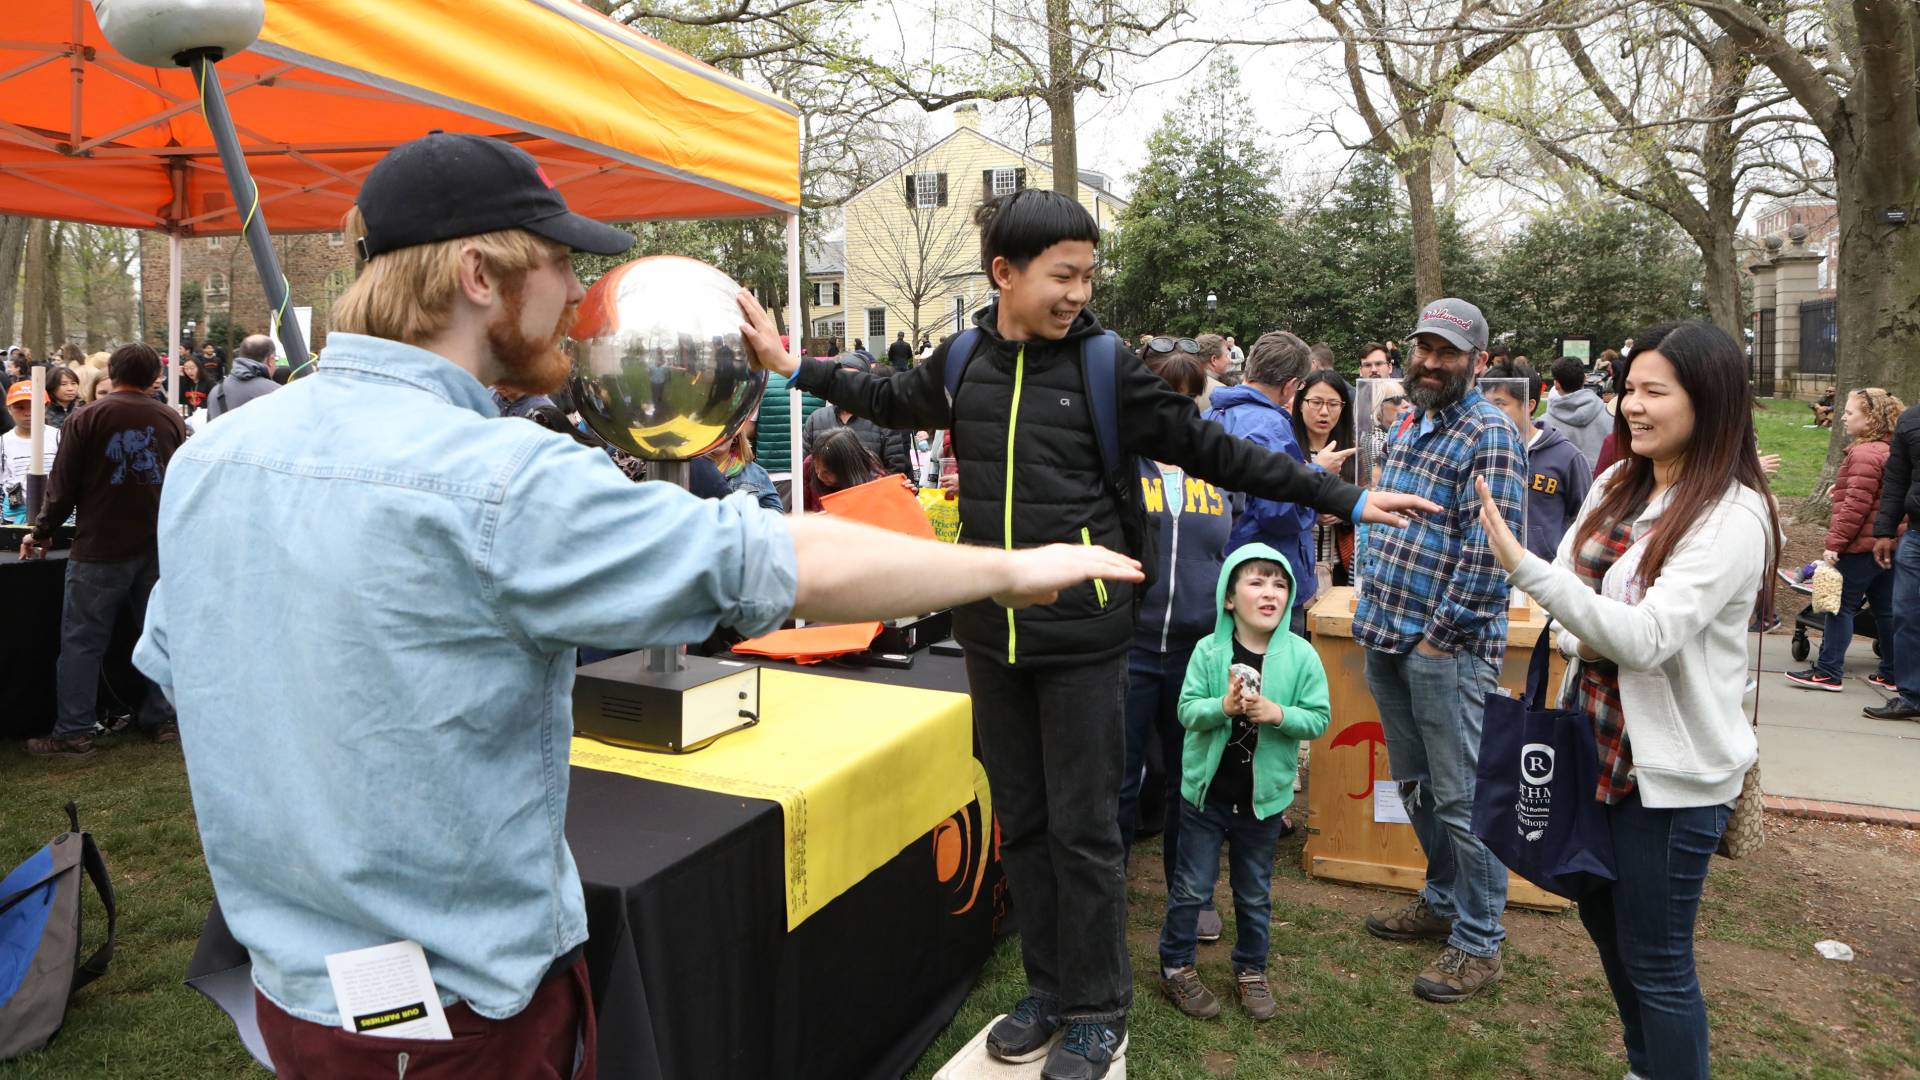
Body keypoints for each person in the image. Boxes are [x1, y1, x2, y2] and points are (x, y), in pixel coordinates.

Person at [129, 132, 1138, 1079]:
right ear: (479, 277)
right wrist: (1008, 569)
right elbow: (779, 560)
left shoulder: (212, 456)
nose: (581, 295)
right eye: (561, 264)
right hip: (458, 1016)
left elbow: (190, 673)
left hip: (295, 997)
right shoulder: (496, 477)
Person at [760, 187, 1434, 1080]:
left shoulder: (1107, 368)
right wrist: (794, 366)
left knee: (1085, 831)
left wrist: (1342, 496)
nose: (1080, 292)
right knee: (1025, 825)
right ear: (1005, 274)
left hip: (1083, 638)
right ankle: (1046, 989)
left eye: (1088, 274)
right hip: (992, 641)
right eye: (1063, 274)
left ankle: (1097, 1008)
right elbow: (883, 394)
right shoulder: (962, 360)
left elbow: (1217, 451)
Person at [1475, 319, 1776, 1080]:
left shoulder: (1732, 517)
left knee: (1659, 959)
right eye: (1629, 389)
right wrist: (1587, 629)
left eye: (1655, 391)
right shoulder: (1616, 481)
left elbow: (1644, 638)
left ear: (1709, 400)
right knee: (1605, 925)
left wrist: (1523, 568)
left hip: (1669, 778)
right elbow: (1582, 607)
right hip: (1595, 746)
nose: (1633, 406)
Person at [1354, 298, 1524, 1004]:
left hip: (1444, 652)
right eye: (1423, 347)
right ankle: (1442, 898)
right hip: (1387, 636)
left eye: (1448, 352)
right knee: (1418, 789)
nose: (1430, 361)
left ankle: (1480, 942)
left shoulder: (1489, 434)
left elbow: (1493, 555)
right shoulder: (1412, 421)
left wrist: (1435, 639)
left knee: (1460, 800)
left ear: (1477, 362)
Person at [1157, 546, 1328, 1023]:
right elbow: (1187, 711)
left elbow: (1318, 719)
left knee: (1254, 892)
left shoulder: (1302, 655)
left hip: (1263, 804)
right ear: (1229, 598)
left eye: (1279, 583)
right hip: (1205, 797)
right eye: (1256, 582)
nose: (1269, 592)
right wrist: (1223, 708)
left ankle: (1251, 968)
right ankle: (1175, 964)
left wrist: (1279, 714)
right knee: (1192, 886)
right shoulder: (1209, 652)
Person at [22, 345, 188, 755]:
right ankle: (164, 720)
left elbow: (62, 486)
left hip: (100, 547)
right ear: (154, 377)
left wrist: (41, 530)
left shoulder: (87, 417)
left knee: (82, 640)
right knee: (158, 635)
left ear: (112, 371)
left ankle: (75, 730)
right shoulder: (170, 418)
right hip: (155, 544)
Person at [1118, 349, 1231, 948]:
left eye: (1192, 395)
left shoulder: (1213, 467)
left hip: (1197, 653)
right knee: (1121, 778)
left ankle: (1191, 890)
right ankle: (1105, 889)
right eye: (1169, 393)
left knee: (1191, 779)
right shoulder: (1122, 464)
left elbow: (1233, 550)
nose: (1181, 406)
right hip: (1129, 649)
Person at [1210, 332, 1353, 634]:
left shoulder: (1213, 414)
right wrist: (1316, 474)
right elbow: (1280, 512)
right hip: (1268, 577)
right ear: (1290, 385)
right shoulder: (1270, 427)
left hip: (1229, 572)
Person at [1787, 389, 1905, 692]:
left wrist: (1835, 545)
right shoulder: (1892, 450)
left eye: (1850, 413)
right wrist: (1839, 490)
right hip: (1890, 544)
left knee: (1839, 607)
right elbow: (1879, 495)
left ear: (1871, 419)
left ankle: (1828, 672)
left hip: (1861, 547)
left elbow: (1856, 507)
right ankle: (1893, 673)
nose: (1842, 417)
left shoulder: (1865, 453)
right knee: (1886, 610)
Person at [1483, 361, 1591, 561]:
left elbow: (1585, 519)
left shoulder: (1567, 457)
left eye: (1500, 404)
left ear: (1530, 405)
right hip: (1490, 568)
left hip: (1543, 573)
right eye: (1486, 405)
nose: (1490, 413)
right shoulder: (1482, 451)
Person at [1871, 391, 1920, 721]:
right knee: (1907, 614)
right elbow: (1896, 480)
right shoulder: (1912, 420)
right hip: (1915, 536)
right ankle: (1912, 695)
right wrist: (1885, 531)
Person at [1293, 370, 1357, 586]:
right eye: (1316, 402)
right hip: (1296, 564)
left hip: (1341, 566)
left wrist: (1343, 513)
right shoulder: (1287, 448)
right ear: (1300, 403)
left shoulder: (1351, 453)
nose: (1324, 412)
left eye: (1333, 404)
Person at [800, 358, 911, 479]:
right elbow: (805, 467)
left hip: (868, 495)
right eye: (842, 380)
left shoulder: (882, 421)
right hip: (825, 496)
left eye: (852, 379)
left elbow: (895, 470)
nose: (847, 386)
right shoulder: (816, 419)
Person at [0, 381, 59, 524]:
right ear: (9, 409)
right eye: (19, 407)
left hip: (55, 514)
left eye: (34, 406)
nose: (28, 413)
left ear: (45, 406)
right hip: (16, 515)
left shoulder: (58, 437)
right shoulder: (3, 442)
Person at [1544, 356, 1610, 469]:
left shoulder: (1542, 425)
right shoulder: (1611, 416)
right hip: (1604, 482)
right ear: (1585, 378)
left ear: (1556, 384)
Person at [708, 428, 786, 511]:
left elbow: (776, 514)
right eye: (715, 431)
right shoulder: (694, 470)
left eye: (726, 431)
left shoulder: (756, 473)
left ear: (735, 437)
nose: (721, 436)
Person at [205, 334, 279, 420]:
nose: (276, 366)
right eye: (275, 360)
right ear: (270, 360)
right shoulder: (275, 392)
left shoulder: (216, 392)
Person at [44, 365, 81, 429]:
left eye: (73, 383)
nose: (70, 388)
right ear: (51, 386)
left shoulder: (83, 408)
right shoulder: (43, 412)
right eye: (63, 384)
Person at [1196, 333, 1230, 400]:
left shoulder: (1182, 383)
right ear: (1213, 360)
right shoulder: (1221, 393)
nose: (1229, 360)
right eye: (1226, 356)